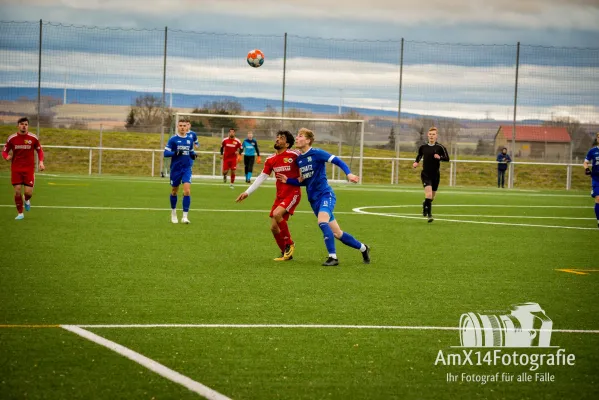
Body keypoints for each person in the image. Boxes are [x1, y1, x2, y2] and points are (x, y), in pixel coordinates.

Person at [276, 128, 370, 267]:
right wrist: (288, 180)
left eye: (300, 136)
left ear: (308, 140)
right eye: (297, 136)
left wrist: (348, 174)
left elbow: (337, 161)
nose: (296, 138)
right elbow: (305, 181)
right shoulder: (299, 160)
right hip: (314, 200)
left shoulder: (317, 153)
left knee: (322, 222)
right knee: (337, 233)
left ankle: (333, 257)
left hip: (326, 194)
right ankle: (363, 248)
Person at [236, 131, 300, 261]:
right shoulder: (271, 159)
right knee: (274, 227)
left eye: (281, 138)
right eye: (277, 137)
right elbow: (262, 177)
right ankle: (286, 253)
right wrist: (247, 192)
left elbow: (307, 162)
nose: (277, 139)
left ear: (287, 144)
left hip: (293, 193)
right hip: (280, 196)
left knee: (277, 214)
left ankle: (290, 244)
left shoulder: (294, 155)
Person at [2, 117, 45, 220]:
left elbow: (39, 150)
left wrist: (41, 162)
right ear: (18, 125)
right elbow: (4, 151)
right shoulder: (12, 138)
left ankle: (26, 200)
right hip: (16, 169)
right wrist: (6, 156)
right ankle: (20, 213)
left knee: (28, 193)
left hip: (29, 169)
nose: (24, 126)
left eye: (26, 124)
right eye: (22, 124)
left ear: (28, 126)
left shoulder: (33, 138)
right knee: (17, 191)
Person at [412, 127, 450, 223]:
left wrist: (439, 157)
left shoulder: (440, 147)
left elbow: (447, 159)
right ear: (427, 135)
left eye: (433, 134)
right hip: (425, 174)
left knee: (431, 197)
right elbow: (419, 155)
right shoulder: (423, 147)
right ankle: (429, 215)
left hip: (435, 175)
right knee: (428, 194)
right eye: (430, 134)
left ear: (436, 136)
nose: (431, 136)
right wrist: (416, 162)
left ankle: (425, 204)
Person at [164, 120, 197, 224]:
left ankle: (185, 217)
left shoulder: (190, 139)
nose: (183, 127)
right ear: (177, 127)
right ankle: (173, 213)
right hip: (176, 169)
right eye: (180, 126)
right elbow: (166, 153)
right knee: (174, 191)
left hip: (186, 168)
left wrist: (193, 154)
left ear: (187, 127)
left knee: (187, 191)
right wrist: (176, 152)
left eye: (184, 126)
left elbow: (191, 151)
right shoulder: (173, 139)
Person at [583, 132, 599, 229]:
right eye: (598, 137)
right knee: (598, 198)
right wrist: (587, 169)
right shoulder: (592, 151)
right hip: (596, 179)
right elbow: (585, 163)